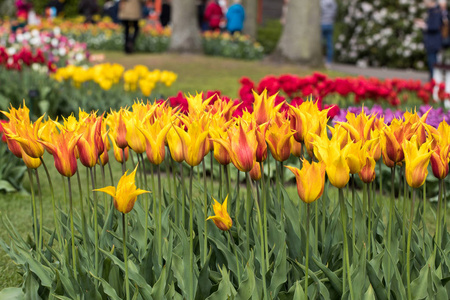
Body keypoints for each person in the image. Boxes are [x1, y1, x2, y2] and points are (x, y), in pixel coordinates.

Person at [416, 0, 443, 81]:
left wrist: (424, 25)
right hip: (431, 41)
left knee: (433, 62)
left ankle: (434, 80)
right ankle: (433, 79)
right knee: (431, 61)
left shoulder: (436, 11)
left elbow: (435, 26)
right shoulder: (432, 11)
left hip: (434, 41)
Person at [320, 0, 337, 67]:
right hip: (330, 24)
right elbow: (335, 14)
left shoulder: (321, 2)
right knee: (329, 44)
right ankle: (328, 62)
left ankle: (319, 59)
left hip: (322, 24)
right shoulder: (333, 2)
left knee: (319, 44)